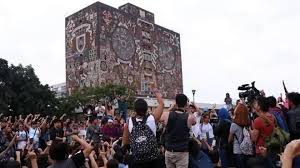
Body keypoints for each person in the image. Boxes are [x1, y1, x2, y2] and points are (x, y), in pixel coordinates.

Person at [122, 82, 164, 168]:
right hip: (153, 160)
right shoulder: (152, 119)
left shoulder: (128, 122)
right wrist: (154, 89)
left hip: (136, 161)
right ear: (146, 108)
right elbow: (161, 104)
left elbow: (125, 143)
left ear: (135, 109)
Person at [160, 94, 196, 168]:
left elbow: (160, 116)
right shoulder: (189, 117)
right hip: (182, 152)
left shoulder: (167, 115)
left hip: (169, 150)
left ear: (175, 103)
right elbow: (194, 120)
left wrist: (170, 108)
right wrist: (188, 108)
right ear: (186, 104)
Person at [228, 103, 251, 168]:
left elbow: (230, 139)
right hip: (247, 150)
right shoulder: (248, 122)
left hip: (238, 150)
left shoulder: (234, 125)